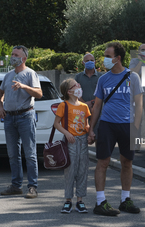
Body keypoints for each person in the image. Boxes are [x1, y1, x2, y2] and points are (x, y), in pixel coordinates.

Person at [88, 42, 143, 216]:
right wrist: (91, 128)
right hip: (107, 125)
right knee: (102, 162)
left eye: (108, 55)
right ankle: (100, 202)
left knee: (127, 162)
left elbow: (139, 104)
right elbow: (97, 106)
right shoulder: (103, 79)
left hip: (127, 125)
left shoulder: (132, 77)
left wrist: (136, 127)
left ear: (118, 58)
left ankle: (125, 200)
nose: (104, 59)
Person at [0, 45, 43, 199]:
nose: (12, 57)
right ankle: (16, 186)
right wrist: (0, 106)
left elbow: (39, 93)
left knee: (30, 154)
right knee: (12, 154)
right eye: (12, 54)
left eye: (16, 55)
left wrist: (23, 86)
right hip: (9, 118)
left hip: (25, 117)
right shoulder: (8, 75)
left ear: (24, 58)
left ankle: (32, 187)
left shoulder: (30, 74)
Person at [54, 78, 91, 214]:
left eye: (78, 84)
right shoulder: (63, 105)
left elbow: (86, 124)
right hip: (71, 141)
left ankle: (80, 201)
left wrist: (89, 132)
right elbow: (56, 123)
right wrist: (67, 133)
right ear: (69, 91)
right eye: (75, 85)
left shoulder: (84, 106)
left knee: (83, 170)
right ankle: (68, 200)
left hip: (83, 141)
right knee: (70, 171)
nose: (79, 86)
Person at [75, 53, 102, 140]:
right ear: (83, 62)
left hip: (98, 112)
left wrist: (92, 102)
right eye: (87, 61)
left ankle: (99, 154)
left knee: (99, 137)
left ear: (95, 62)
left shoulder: (101, 77)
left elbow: (103, 93)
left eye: (91, 60)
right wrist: (85, 104)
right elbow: (75, 93)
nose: (90, 62)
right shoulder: (78, 77)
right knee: (83, 139)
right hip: (83, 113)